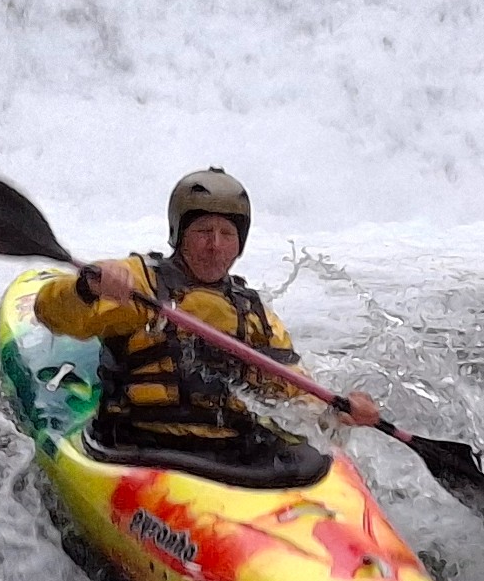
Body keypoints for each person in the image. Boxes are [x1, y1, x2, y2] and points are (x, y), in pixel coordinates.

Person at [33, 167, 382, 489]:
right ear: (179, 235)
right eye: (203, 232)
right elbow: (52, 312)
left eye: (227, 234)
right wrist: (87, 288)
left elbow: (290, 387)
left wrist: (336, 409)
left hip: (229, 453)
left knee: (308, 459)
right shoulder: (139, 282)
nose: (215, 245)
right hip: (143, 449)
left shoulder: (254, 313)